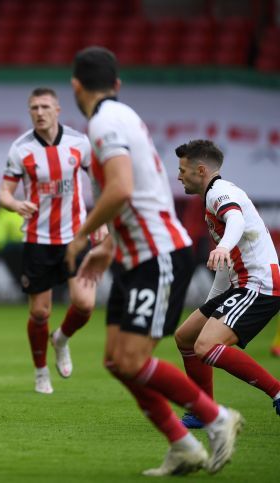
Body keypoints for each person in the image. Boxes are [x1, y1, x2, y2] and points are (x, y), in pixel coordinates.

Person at [65, 47, 243, 476]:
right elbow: (140, 191)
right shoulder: (120, 118)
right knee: (115, 360)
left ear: (75, 86)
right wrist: (110, 246)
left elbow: (123, 188)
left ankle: (216, 417)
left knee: (130, 359)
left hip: (158, 254)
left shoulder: (105, 123)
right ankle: (182, 445)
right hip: (136, 254)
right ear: (117, 84)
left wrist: (83, 235)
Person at [173, 139, 280, 428]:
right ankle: (204, 411)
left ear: (201, 170)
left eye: (183, 169)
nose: (179, 175)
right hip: (241, 284)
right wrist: (211, 305)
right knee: (185, 337)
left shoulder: (220, 193)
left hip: (259, 285)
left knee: (206, 346)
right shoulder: (213, 196)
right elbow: (228, 260)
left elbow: (235, 220)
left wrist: (222, 248)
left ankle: (278, 392)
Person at [0, 87, 97, 394]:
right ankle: (41, 371)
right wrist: (15, 205)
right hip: (38, 239)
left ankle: (62, 339)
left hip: (76, 237)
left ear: (57, 110)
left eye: (44, 107)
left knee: (84, 304)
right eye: (33, 108)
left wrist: (102, 222)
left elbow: (101, 182)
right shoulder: (21, 148)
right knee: (40, 312)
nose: (39, 112)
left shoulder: (80, 143)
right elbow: (4, 193)